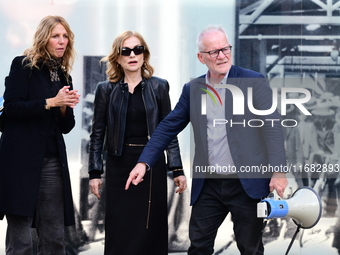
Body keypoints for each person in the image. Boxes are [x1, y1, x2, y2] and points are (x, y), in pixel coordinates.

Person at [126, 25, 288, 255]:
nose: (221, 56)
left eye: (225, 49)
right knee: (199, 247)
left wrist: (278, 172)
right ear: (201, 57)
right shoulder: (193, 89)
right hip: (209, 185)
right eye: (214, 51)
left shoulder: (253, 82)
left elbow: (273, 129)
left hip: (246, 184)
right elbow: (168, 127)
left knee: (250, 249)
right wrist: (144, 162)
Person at [88, 30, 187, 255]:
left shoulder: (159, 87)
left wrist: (177, 169)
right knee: (120, 229)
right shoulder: (105, 89)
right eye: (126, 51)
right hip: (118, 164)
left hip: (151, 164)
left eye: (138, 50)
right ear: (118, 57)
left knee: (150, 228)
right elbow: (97, 134)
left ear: (144, 55)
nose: (132, 55)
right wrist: (95, 172)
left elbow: (168, 131)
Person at [0, 15, 80, 255]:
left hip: (52, 161)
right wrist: (50, 102)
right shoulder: (23, 65)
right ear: (44, 38)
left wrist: (64, 107)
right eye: (56, 36)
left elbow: (66, 127)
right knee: (22, 241)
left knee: (55, 238)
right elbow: (11, 108)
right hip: (20, 161)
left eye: (65, 36)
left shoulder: (64, 75)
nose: (61, 41)